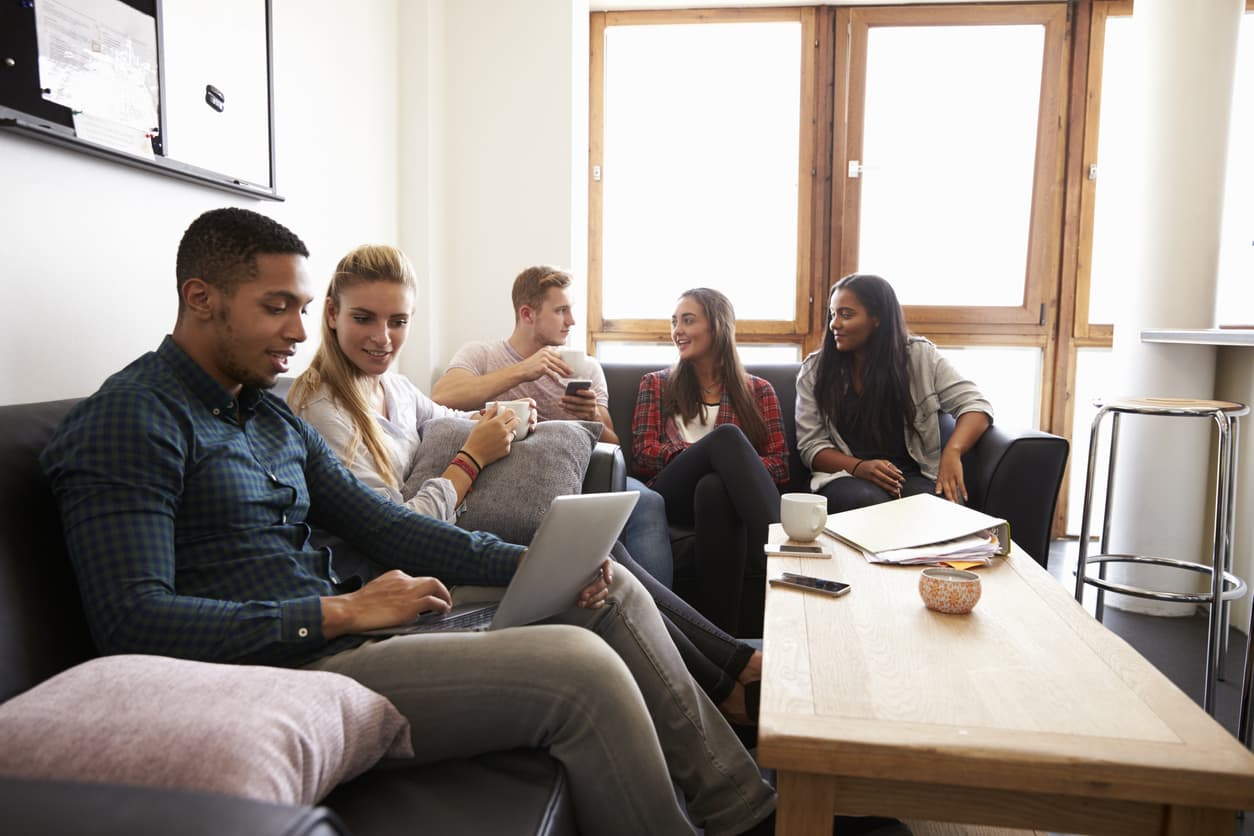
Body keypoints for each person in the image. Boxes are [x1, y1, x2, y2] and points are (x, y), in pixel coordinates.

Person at [39, 208, 776, 836]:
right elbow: (132, 624)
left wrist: (532, 565)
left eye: (302, 306)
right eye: (277, 307)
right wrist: (335, 611)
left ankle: (746, 809)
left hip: (354, 628)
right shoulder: (132, 421)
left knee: (604, 586)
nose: (301, 330)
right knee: (579, 673)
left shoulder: (262, 412)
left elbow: (388, 528)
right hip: (290, 664)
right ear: (201, 298)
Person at [288, 243, 763, 726]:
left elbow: (453, 417)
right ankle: (729, 684)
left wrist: (503, 420)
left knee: (603, 559)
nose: (383, 338)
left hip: (447, 546)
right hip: (408, 581)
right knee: (600, 579)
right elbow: (394, 534)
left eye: (399, 322)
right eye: (365, 318)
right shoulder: (324, 412)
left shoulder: (395, 388)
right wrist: (472, 458)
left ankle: (734, 668)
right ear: (331, 314)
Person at [430, 265, 676, 588]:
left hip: (581, 474)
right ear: (527, 314)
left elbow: (614, 445)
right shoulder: (481, 354)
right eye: (561, 311)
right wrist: (522, 371)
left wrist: (593, 415)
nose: (571, 321)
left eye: (571, 311)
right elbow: (442, 396)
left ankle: (650, 615)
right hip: (504, 476)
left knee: (646, 501)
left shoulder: (586, 367)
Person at [632, 288, 789, 637]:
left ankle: (724, 647)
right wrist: (702, 454)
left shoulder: (758, 391)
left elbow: (780, 466)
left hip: (719, 500)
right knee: (727, 438)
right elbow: (643, 454)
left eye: (688, 320)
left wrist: (725, 468)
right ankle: (787, 552)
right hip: (672, 494)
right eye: (674, 322)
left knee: (715, 487)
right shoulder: (656, 384)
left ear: (718, 327)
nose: (678, 331)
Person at [795, 273, 993, 514]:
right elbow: (810, 447)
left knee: (937, 508)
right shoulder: (814, 371)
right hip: (845, 476)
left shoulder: (921, 357)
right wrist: (859, 467)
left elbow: (975, 405)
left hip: (911, 475)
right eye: (833, 314)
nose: (834, 324)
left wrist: (953, 451)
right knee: (867, 501)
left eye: (846, 314)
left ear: (877, 318)